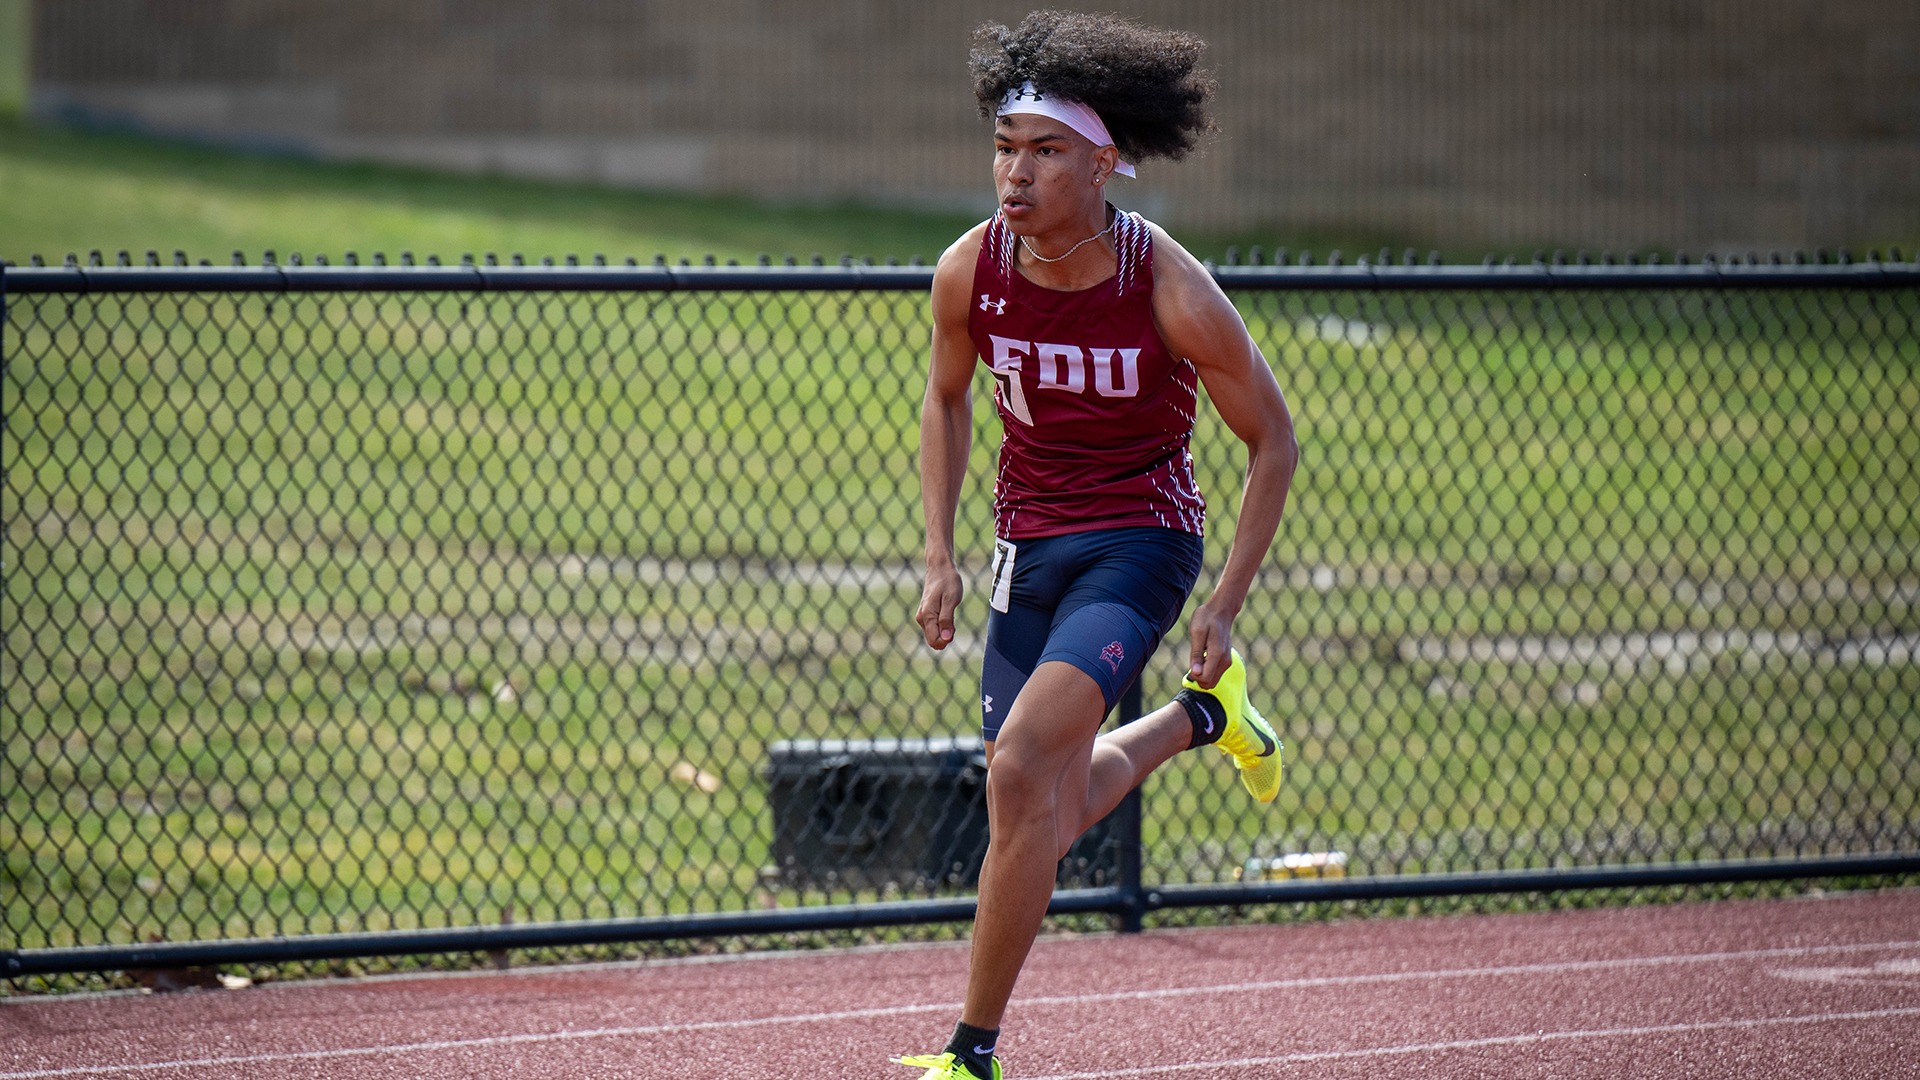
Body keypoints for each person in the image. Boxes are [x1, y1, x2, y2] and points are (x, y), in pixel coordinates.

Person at [899, 11, 1299, 1080]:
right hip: (1027, 548)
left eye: (1046, 151)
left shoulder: (1163, 286)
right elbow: (944, 402)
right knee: (1049, 804)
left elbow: (1273, 440)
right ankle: (1207, 720)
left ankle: (970, 1054)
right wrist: (938, 553)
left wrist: (1223, 605)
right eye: (1004, 147)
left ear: (1104, 161)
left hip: (1140, 541)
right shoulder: (968, 271)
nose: (1014, 173)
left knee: (1023, 771)